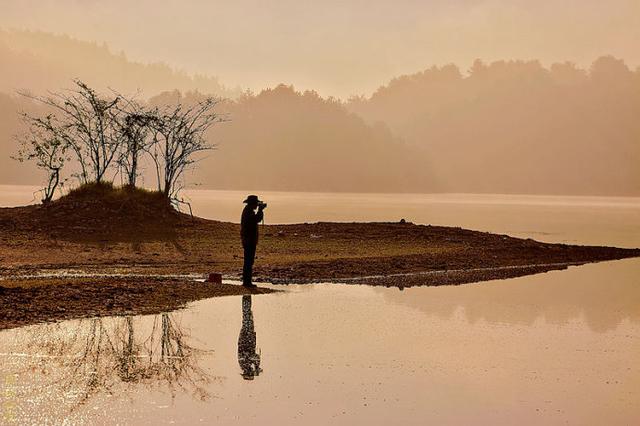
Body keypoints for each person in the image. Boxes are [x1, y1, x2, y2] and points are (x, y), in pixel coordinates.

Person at [240, 194, 266, 287]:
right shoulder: (248, 212)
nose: (256, 205)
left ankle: (247, 281)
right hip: (249, 240)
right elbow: (257, 219)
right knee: (248, 261)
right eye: (256, 204)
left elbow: (256, 220)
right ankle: (247, 282)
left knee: (249, 261)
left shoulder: (248, 211)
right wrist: (260, 210)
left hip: (248, 239)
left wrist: (260, 211)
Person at [237, 295, 262, 380]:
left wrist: (256, 365)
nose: (252, 371)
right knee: (248, 316)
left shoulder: (243, 364)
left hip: (246, 338)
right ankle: (247, 298)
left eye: (251, 373)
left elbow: (249, 355)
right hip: (248, 338)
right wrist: (257, 365)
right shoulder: (247, 365)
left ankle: (246, 298)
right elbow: (256, 357)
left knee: (247, 316)